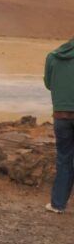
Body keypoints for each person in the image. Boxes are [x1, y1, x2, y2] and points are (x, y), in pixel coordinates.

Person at [45, 38, 74, 213]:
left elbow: (49, 84)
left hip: (61, 116)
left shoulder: (53, 56)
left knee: (64, 158)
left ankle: (58, 204)